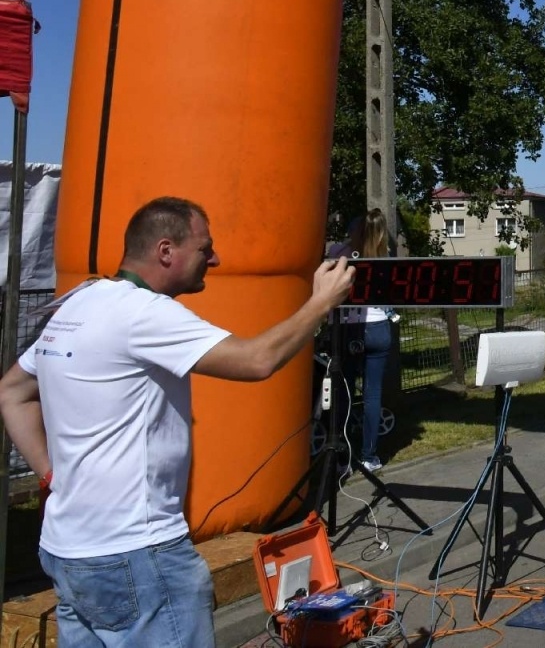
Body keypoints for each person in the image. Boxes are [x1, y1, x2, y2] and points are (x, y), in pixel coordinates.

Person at [0, 197, 354, 648]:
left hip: (67, 551)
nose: (216, 258)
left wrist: (51, 474)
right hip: (137, 553)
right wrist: (320, 303)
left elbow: (12, 392)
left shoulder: (78, 303)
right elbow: (257, 360)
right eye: (205, 248)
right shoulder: (144, 313)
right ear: (166, 251)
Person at [328, 208, 399, 472]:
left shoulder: (339, 254)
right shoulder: (386, 258)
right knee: (372, 395)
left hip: (348, 328)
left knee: (343, 393)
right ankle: (369, 456)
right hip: (378, 327)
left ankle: (341, 458)